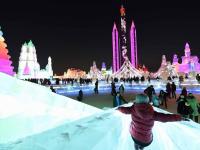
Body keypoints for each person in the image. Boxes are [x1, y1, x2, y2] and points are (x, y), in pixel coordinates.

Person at [117, 94, 188, 150]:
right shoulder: (152, 114)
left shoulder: (133, 109)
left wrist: (119, 108)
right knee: (141, 144)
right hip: (146, 139)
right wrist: (180, 118)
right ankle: (141, 148)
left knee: (136, 142)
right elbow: (166, 117)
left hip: (134, 134)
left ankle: (136, 148)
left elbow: (124, 110)